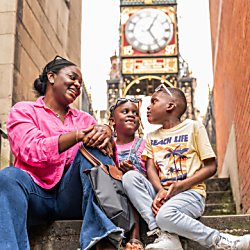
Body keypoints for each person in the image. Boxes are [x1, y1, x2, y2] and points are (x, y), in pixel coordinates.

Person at [0, 55, 124, 250]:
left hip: (72, 197)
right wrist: (75, 136)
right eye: (72, 77)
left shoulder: (85, 119)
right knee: (8, 176)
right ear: (51, 77)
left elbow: (106, 162)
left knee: (94, 146)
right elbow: (32, 150)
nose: (77, 85)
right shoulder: (24, 111)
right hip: (34, 196)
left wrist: (107, 134)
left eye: (80, 83)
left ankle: (100, 237)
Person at [122, 84, 250, 250]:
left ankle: (221, 241)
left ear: (170, 106)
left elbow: (211, 167)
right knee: (129, 177)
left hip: (191, 194)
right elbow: (151, 167)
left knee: (165, 215)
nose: (148, 106)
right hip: (163, 194)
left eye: (154, 101)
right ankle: (165, 236)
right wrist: (160, 190)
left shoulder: (193, 127)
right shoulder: (151, 136)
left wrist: (181, 186)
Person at [109, 97, 146, 250]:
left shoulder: (144, 144)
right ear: (112, 121)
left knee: (129, 181)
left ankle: (135, 236)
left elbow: (151, 176)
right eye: (125, 112)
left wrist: (133, 172)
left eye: (135, 113)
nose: (131, 115)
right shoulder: (108, 145)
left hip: (139, 194)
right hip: (115, 196)